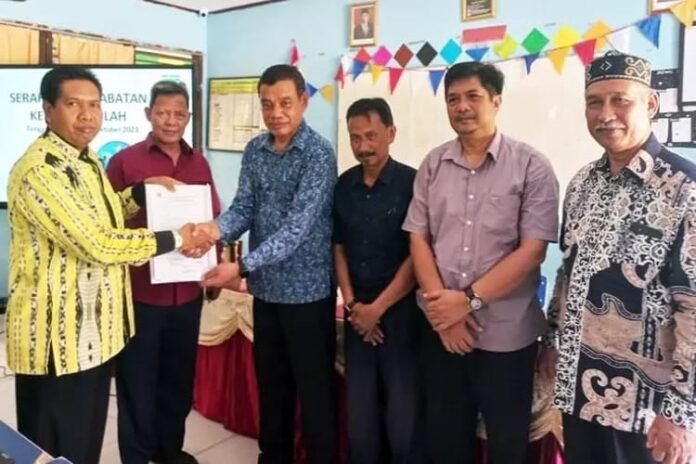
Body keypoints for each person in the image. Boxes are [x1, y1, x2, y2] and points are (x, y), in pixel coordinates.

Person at [5, 66, 214, 464]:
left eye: (94, 105)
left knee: (83, 443)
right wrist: (176, 238)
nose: (87, 115)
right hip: (56, 340)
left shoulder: (85, 162)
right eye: (74, 104)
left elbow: (106, 214)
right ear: (48, 110)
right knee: (52, 450)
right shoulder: (40, 170)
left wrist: (139, 193)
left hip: (92, 333)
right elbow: (98, 242)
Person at [538, 51, 696, 464]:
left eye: (620, 100)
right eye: (594, 102)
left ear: (651, 104)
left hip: (646, 409)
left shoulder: (685, 188)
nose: (606, 114)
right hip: (578, 388)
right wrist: (552, 342)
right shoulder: (581, 184)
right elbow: (568, 274)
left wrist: (681, 414)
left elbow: (694, 309)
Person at [402, 61, 560, 464]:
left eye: (473, 96)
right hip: (442, 334)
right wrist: (444, 313)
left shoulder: (531, 166)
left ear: (496, 101)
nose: (462, 107)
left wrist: (466, 301)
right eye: (452, 99)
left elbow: (533, 250)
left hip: (506, 337)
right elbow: (418, 238)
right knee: (445, 441)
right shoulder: (433, 164)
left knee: (506, 446)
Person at [198, 64, 338, 464]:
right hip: (266, 292)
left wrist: (241, 268)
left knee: (314, 393)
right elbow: (244, 208)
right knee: (273, 389)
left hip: (308, 295)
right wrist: (212, 230)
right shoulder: (255, 150)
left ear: (304, 102)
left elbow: (296, 229)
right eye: (267, 104)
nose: (276, 113)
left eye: (285, 103)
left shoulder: (318, 154)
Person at [105, 80, 222, 464]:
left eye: (178, 114)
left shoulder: (198, 162)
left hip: (187, 292)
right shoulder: (124, 162)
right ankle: (137, 457)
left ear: (188, 117)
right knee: (138, 385)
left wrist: (213, 265)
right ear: (148, 114)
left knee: (177, 381)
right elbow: (106, 222)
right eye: (162, 113)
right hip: (140, 295)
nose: (170, 121)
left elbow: (213, 218)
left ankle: (168, 451)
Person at [333, 98, 422, 464]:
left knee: (403, 416)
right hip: (357, 312)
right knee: (361, 416)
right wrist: (354, 305)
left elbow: (418, 255)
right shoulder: (344, 185)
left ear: (391, 133)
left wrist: (378, 309)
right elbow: (338, 247)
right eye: (355, 138)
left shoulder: (413, 183)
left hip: (401, 310)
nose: (363, 146)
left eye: (371, 136)